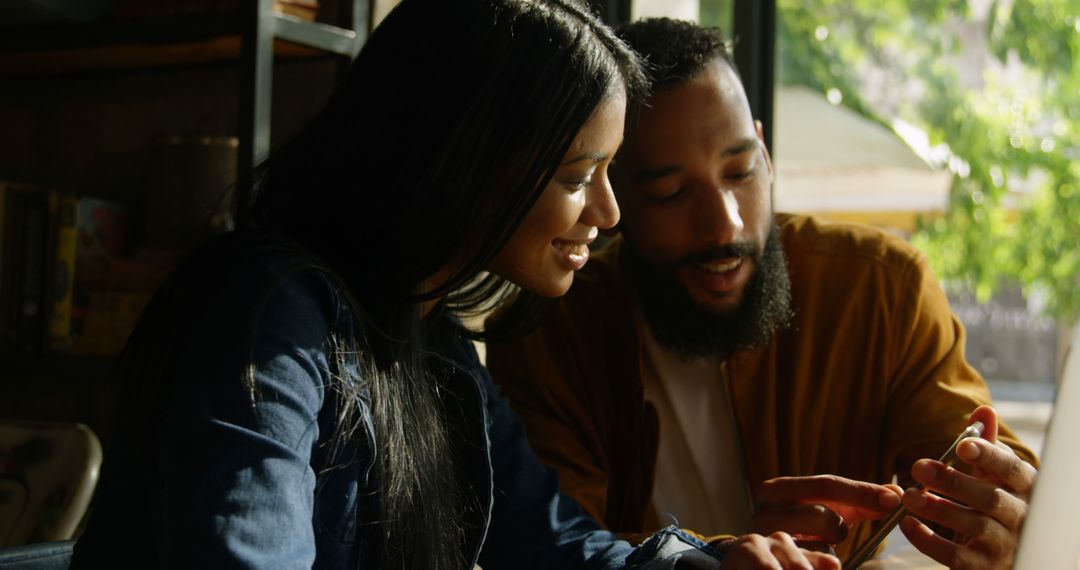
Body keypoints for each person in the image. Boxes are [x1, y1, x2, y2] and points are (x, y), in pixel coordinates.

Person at [69, 3, 842, 570]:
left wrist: (708, 565)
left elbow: (551, 544)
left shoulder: (434, 343)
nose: (608, 214)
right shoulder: (270, 311)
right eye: (580, 176)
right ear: (466, 163)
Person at [485, 17, 1039, 568]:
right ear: (614, 203)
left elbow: (979, 463)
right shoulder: (550, 332)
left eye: (741, 171)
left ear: (767, 156)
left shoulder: (880, 287)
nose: (724, 226)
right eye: (672, 193)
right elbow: (555, 548)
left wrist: (1004, 516)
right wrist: (721, 557)